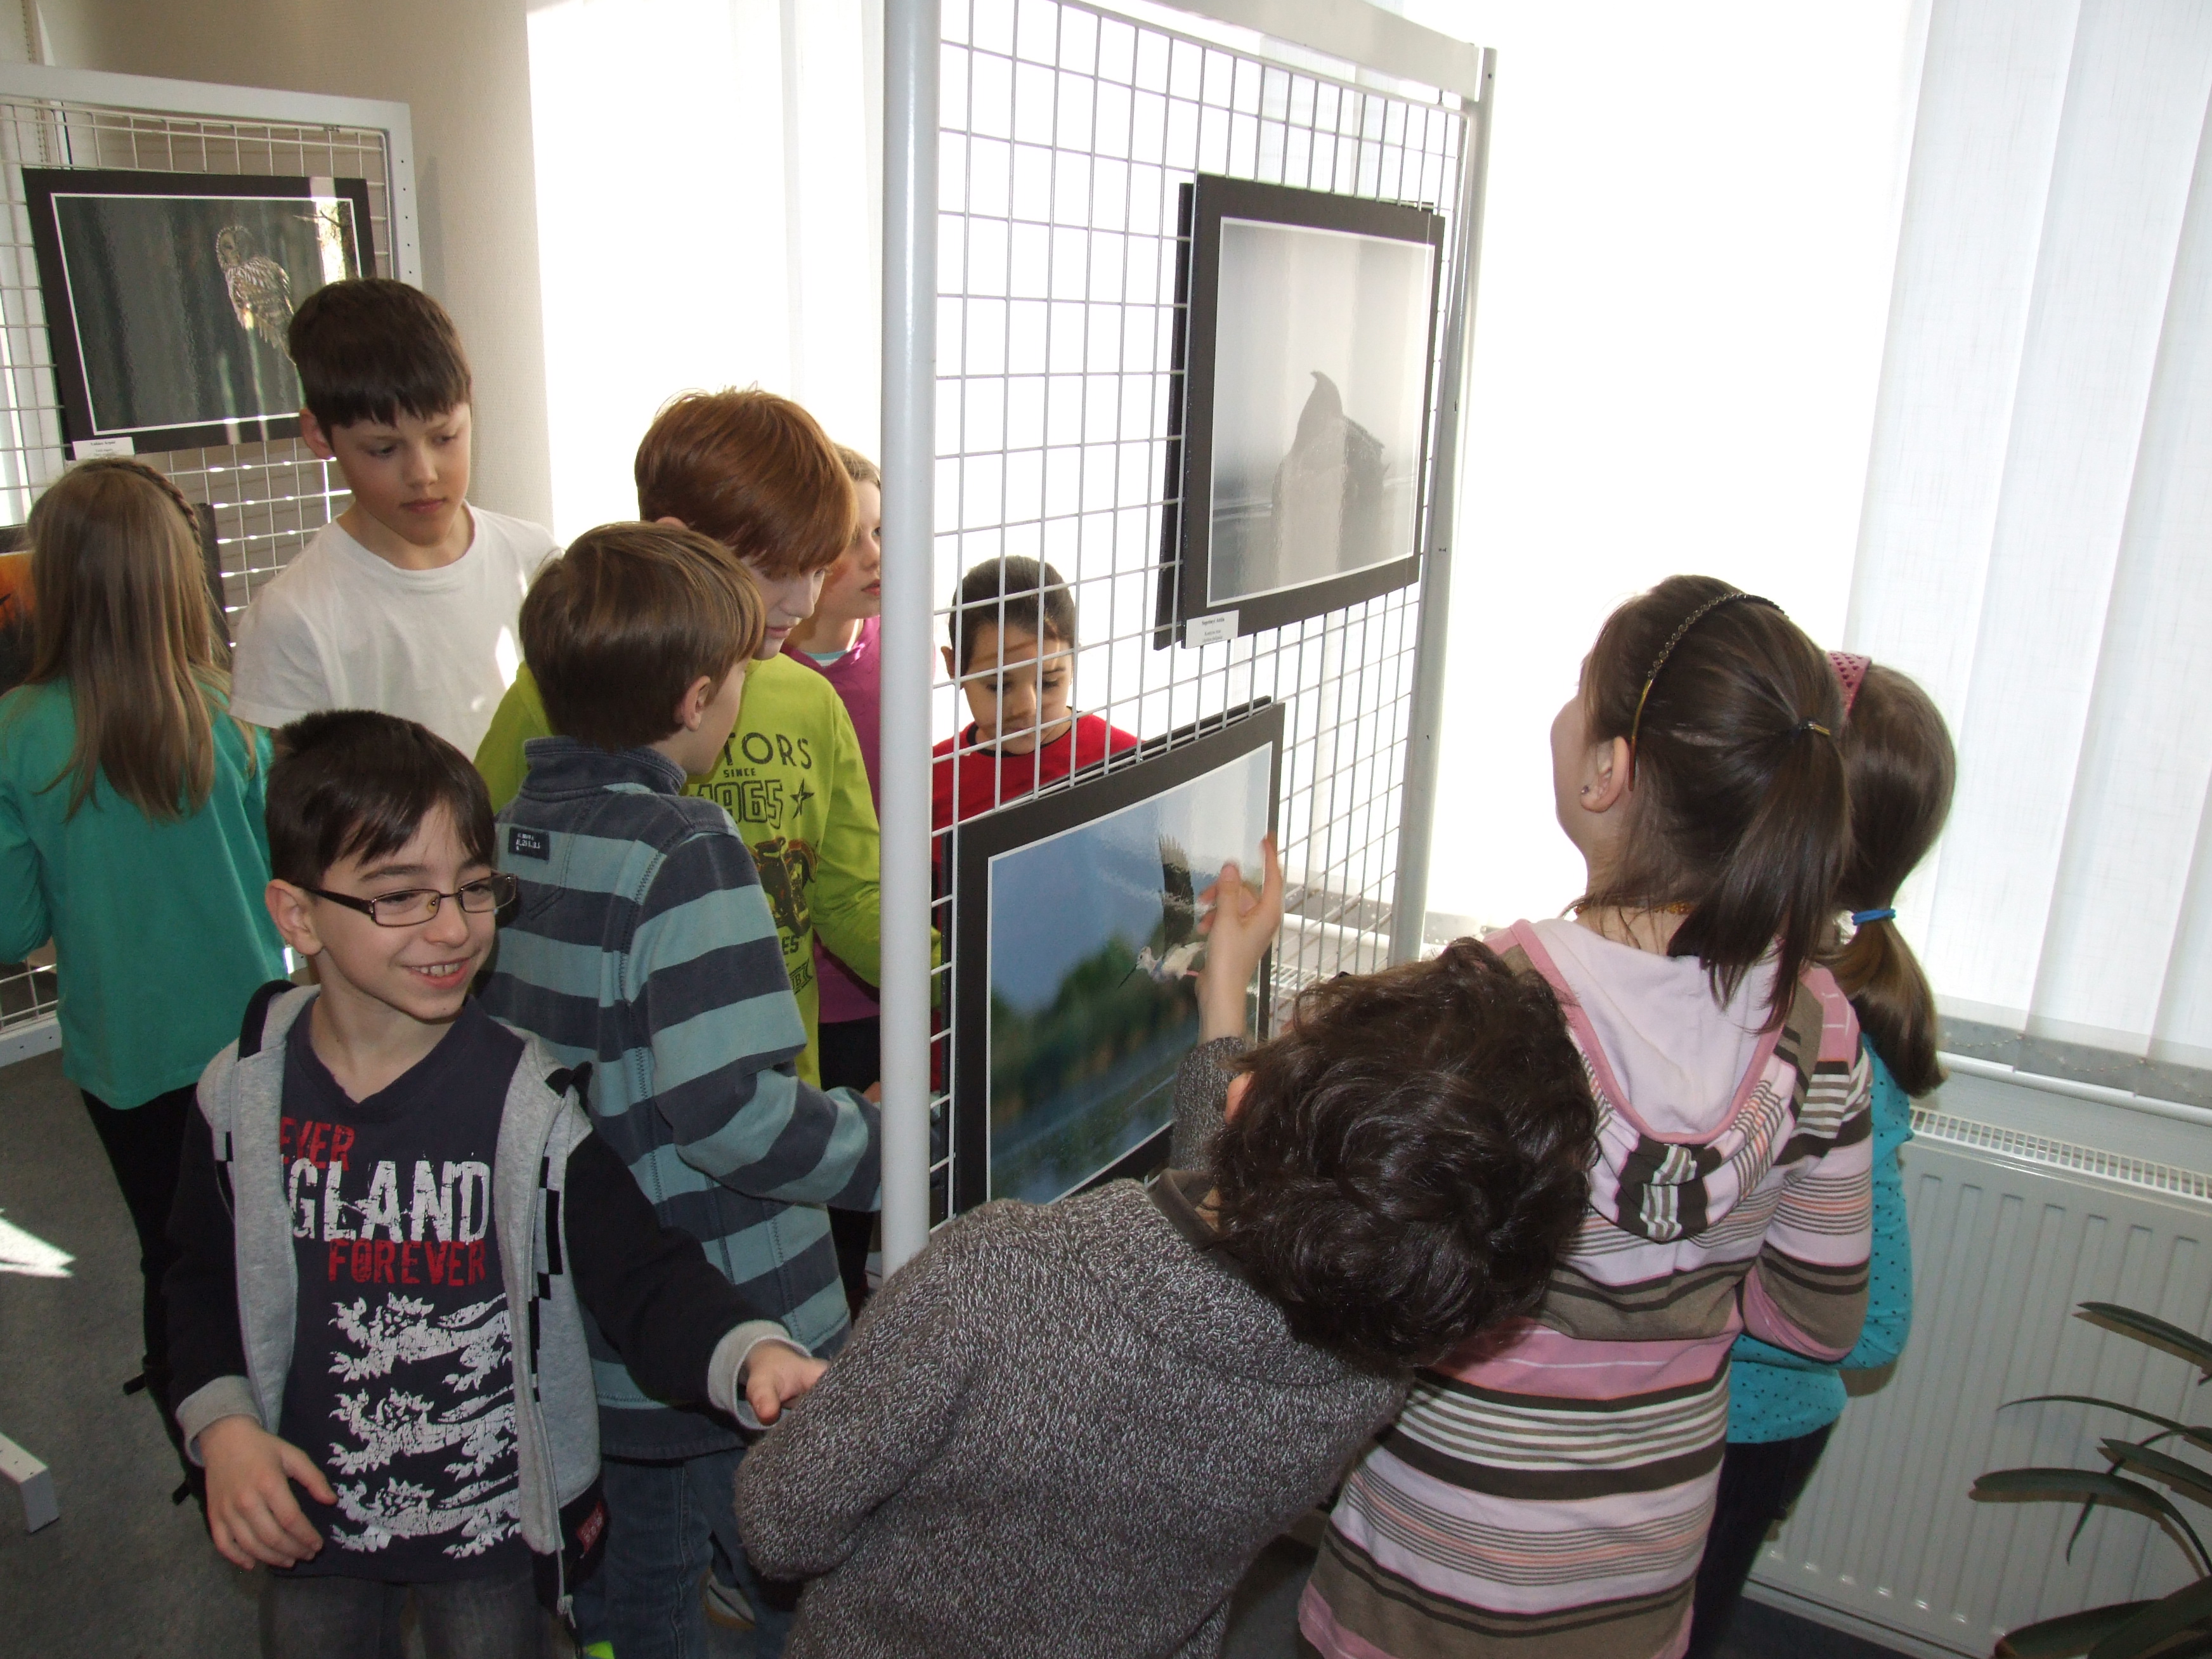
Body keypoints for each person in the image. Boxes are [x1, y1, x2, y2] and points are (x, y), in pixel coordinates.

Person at [731, 838, 1600, 1658]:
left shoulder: (997, 1275)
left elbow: (781, 1525)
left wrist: (855, 1405)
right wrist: (1224, 989)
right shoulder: (1377, 1349)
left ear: (1245, 1099)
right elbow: (1229, 1239)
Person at [162, 710, 823, 1659]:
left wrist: (748, 1350)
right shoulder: (239, 1096)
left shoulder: (530, 1106)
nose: (453, 927)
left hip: (488, 1532)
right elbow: (195, 1282)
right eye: (400, 895)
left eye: (474, 887)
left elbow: (640, 1272)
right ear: (298, 914)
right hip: (309, 1515)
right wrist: (223, 1429)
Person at [1301, 576, 1877, 1659]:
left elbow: (1377, 1280)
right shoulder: (1820, 1023)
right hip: (1640, 1564)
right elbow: (1817, 1321)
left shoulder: (1488, 1003)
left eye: (1580, 691)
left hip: (1436, 1561)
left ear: (1607, 770)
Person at [476, 523, 881, 1659]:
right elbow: (731, 1114)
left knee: (639, 1580)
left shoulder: (510, 833)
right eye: (743, 670)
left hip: (597, 1308)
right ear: (698, 698)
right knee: (793, 1567)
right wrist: (883, 1146)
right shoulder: (688, 847)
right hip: (727, 1303)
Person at [0, 459, 289, 1487]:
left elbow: (13, 923)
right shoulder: (240, 716)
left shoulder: (16, 731)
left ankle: (206, 1450)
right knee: (264, 1231)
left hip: (123, 1055)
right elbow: (285, 881)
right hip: (250, 1039)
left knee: (169, 1246)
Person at [474, 391, 880, 1096]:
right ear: (678, 542)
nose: (803, 602)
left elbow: (849, 901)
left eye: (818, 570)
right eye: (773, 570)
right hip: (589, 1108)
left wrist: (968, 973)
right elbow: (475, 878)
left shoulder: (812, 701)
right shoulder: (555, 693)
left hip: (775, 1099)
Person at [1685, 652, 1953, 1656]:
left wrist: (1688, 1302)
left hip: (1749, 1430)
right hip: (1697, 1416)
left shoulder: (1837, 1038)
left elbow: (1873, 1326)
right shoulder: (1750, 984)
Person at [228, 278, 558, 755]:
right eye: (384, 449)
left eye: (444, 438)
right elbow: (294, 794)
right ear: (319, 435)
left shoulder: (534, 561)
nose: (423, 475)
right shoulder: (293, 619)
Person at [781, 445, 884, 1310]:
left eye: (880, 531)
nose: (875, 555)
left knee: (867, 1188)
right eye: (851, 540)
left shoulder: (901, 656)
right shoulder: (759, 677)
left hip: (883, 978)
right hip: (801, 996)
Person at [931, 556, 1138, 832]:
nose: (1026, 708)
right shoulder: (930, 781)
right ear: (954, 667)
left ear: (1073, 663)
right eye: (999, 686)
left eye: (1048, 683)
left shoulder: (1130, 763)